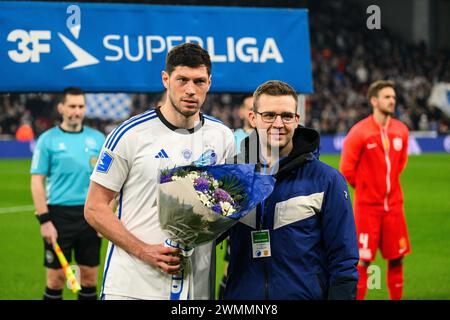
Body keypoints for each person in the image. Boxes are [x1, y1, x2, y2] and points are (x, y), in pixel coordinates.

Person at [84, 43, 235, 300]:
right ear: (166, 79)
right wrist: (144, 250)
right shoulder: (130, 134)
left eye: (199, 81)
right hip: (132, 286)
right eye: (182, 80)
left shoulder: (222, 136)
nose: (190, 90)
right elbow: (94, 208)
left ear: (209, 82)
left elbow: (227, 203)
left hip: (196, 287)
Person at [223, 80, 359, 300]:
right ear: (253, 118)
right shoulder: (232, 178)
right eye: (269, 115)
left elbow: (344, 260)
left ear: (297, 120)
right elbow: (207, 238)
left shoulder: (327, 180)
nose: (278, 123)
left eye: (286, 116)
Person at [30, 87, 105, 300]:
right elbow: (37, 181)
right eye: (72, 106)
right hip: (58, 217)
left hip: (90, 215)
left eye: (81, 106)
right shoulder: (48, 139)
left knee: (89, 278)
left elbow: (110, 182)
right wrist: (45, 220)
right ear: (61, 107)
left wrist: (106, 214)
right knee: (56, 279)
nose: (77, 111)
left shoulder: (98, 139)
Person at [339, 80, 411, 300]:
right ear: (374, 100)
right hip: (367, 209)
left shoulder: (401, 130)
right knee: (362, 260)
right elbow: (346, 169)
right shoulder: (359, 132)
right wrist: (368, 189)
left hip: (394, 208)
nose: (392, 100)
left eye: (393, 97)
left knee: (397, 258)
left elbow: (400, 165)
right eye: (387, 96)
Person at [218, 94, 254, 299]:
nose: (251, 113)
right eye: (248, 108)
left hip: (260, 210)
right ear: (241, 112)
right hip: (236, 209)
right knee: (232, 262)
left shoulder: (268, 140)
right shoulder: (232, 138)